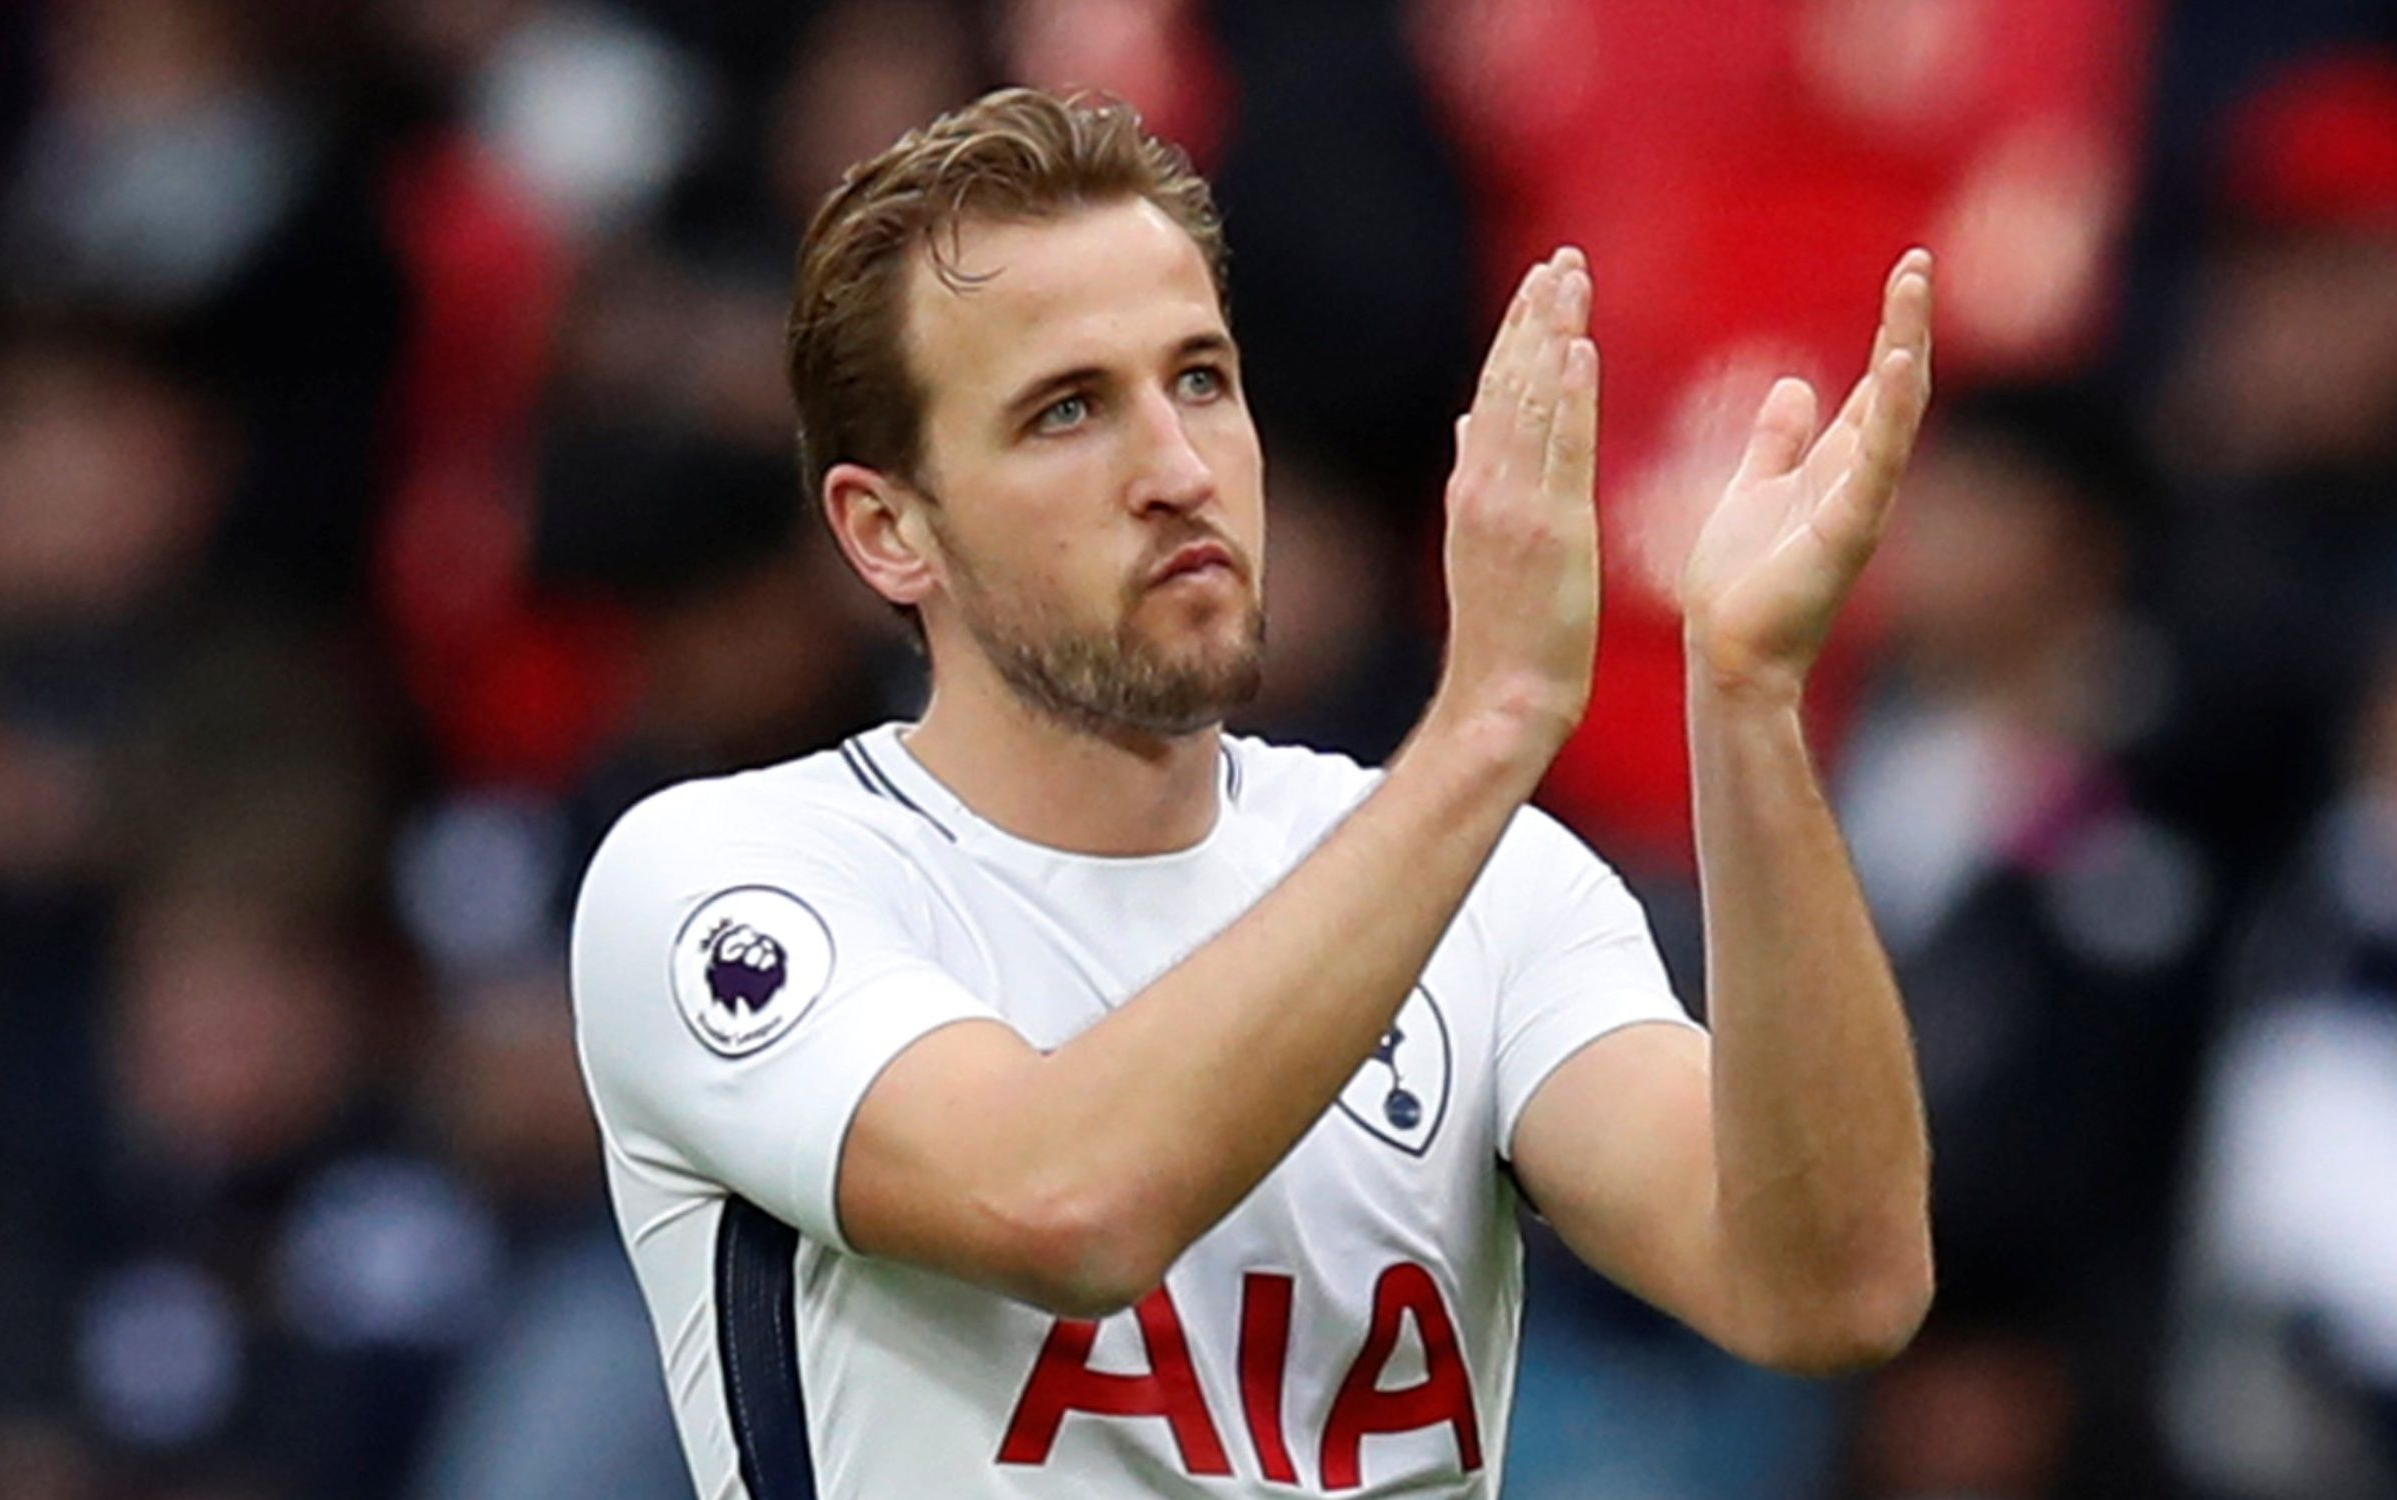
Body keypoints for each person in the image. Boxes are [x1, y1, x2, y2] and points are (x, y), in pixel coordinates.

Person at [570, 87, 1936, 1497]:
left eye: (1202, 380)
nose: (1174, 469)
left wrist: (1753, 704)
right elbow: (1066, 1202)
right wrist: (1487, 724)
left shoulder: (1493, 886)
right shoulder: (731, 880)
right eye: (1066, 411)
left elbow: (1829, 1290)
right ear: (887, 529)